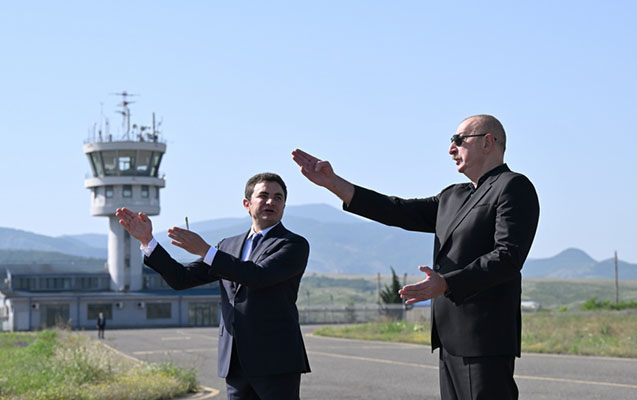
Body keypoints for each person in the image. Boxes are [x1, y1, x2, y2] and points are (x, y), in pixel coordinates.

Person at [292, 114, 539, 400]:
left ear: (487, 142)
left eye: (459, 140)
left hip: (484, 339)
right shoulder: (453, 196)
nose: (451, 149)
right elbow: (397, 210)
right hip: (450, 340)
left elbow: (508, 257)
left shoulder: (512, 187)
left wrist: (447, 283)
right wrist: (334, 183)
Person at [116, 172, 311, 400]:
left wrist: (206, 251)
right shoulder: (228, 246)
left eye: (278, 198)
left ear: (284, 206)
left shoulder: (293, 244)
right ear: (247, 204)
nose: (271, 202)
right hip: (235, 362)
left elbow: (259, 276)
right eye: (264, 195)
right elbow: (182, 278)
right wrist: (148, 241)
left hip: (276, 361)